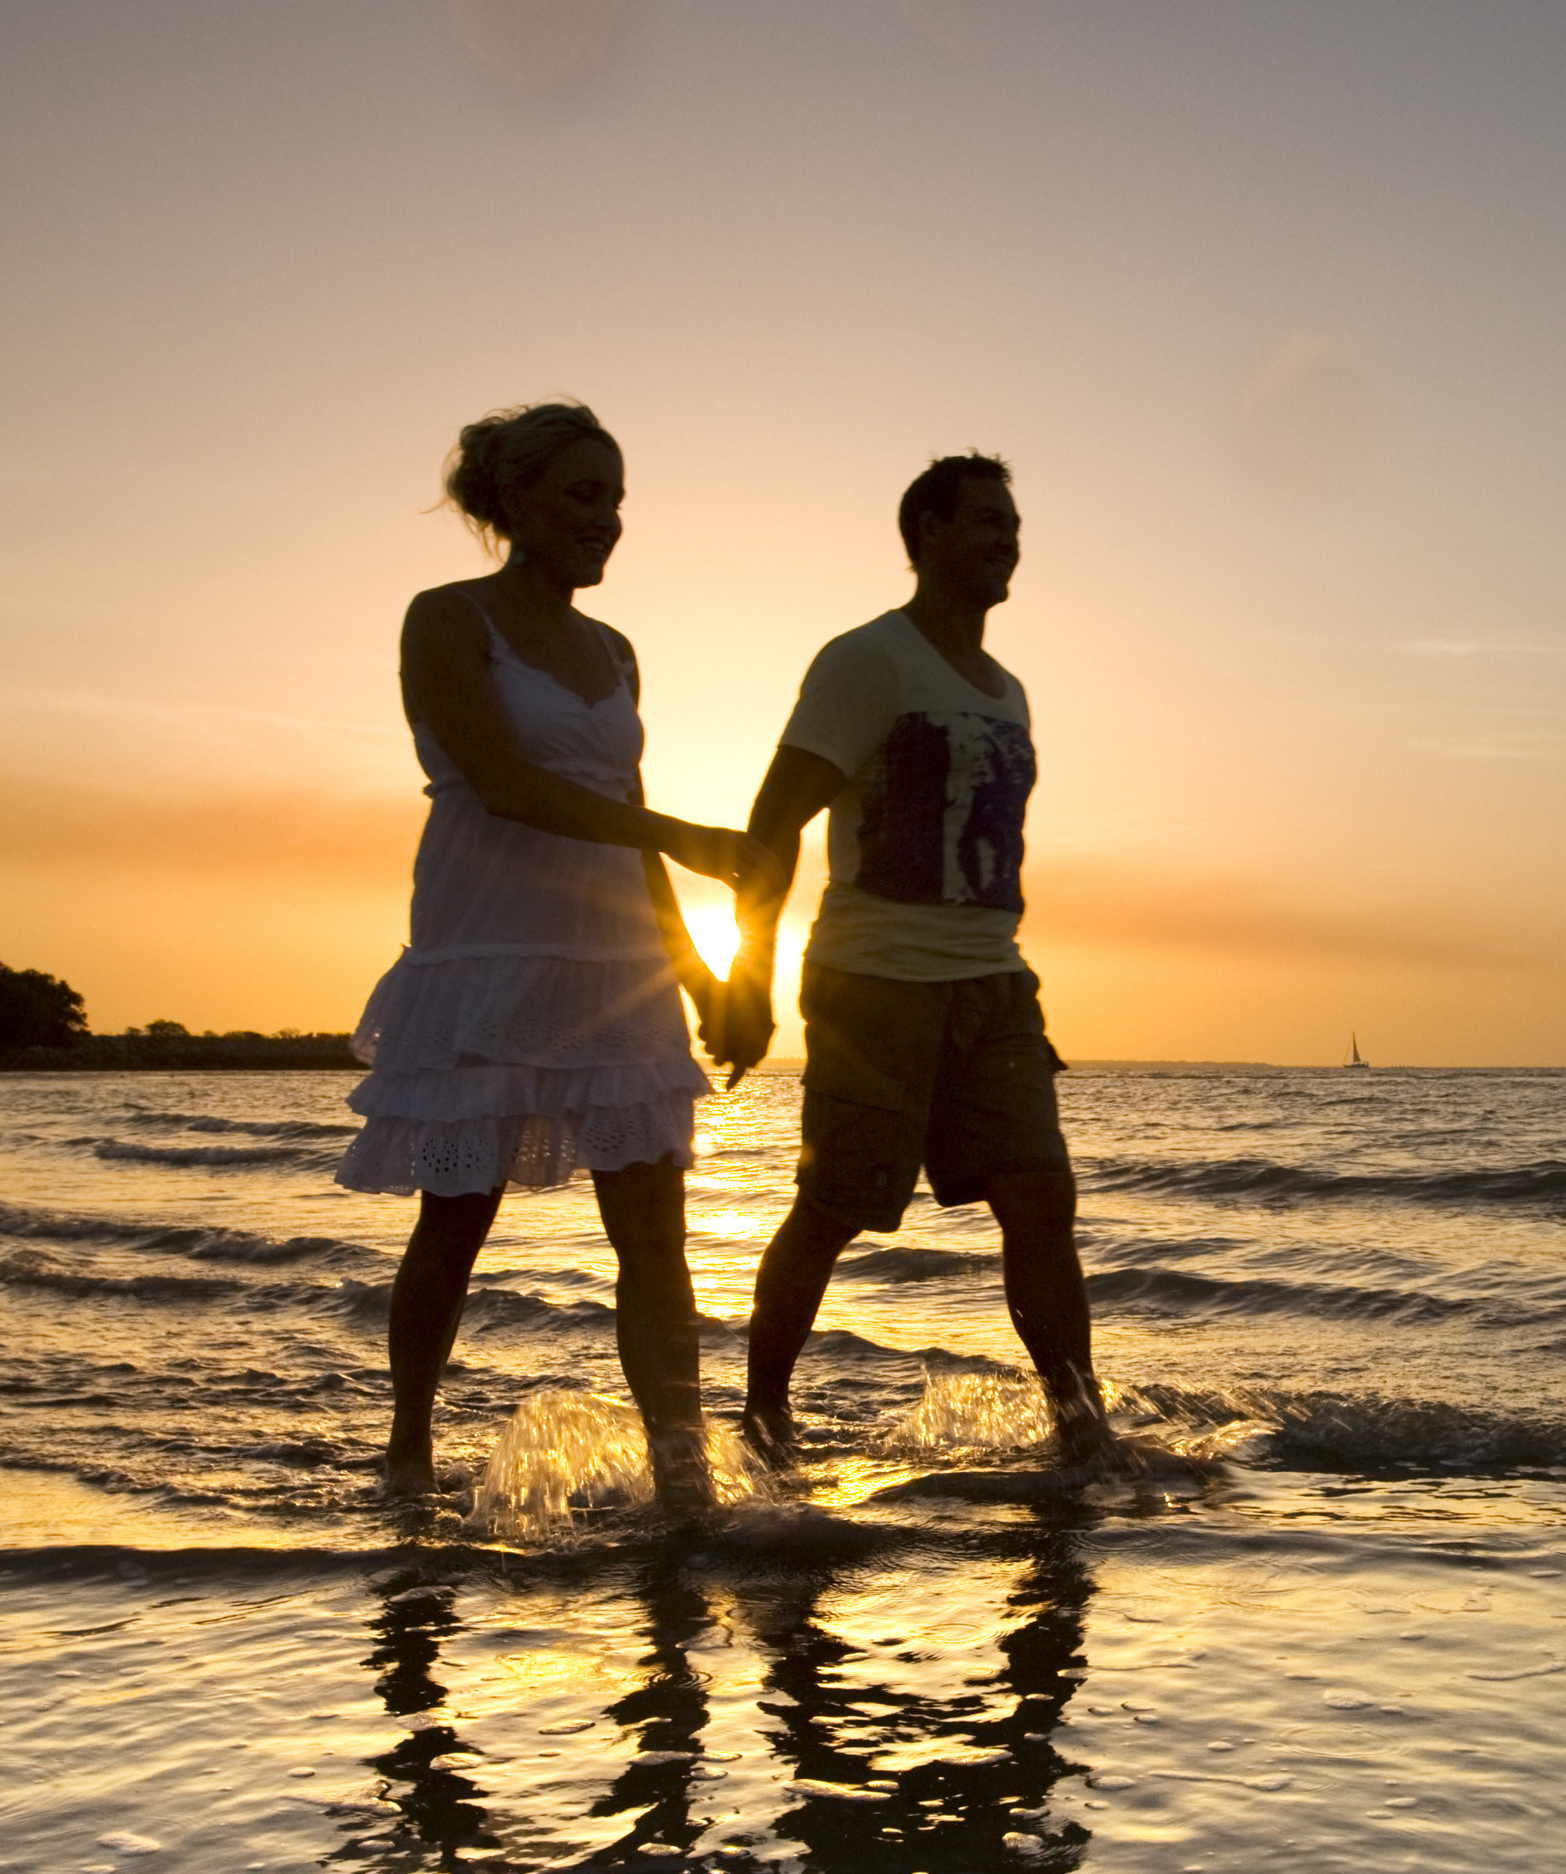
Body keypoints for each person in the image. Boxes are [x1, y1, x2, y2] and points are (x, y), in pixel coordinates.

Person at [338, 401, 742, 1512]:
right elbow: (510, 787)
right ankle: (408, 1454)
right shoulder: (447, 619)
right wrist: (689, 839)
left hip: (615, 965)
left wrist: (697, 971)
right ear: (511, 502)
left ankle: (684, 1477)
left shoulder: (616, 653)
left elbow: (622, 810)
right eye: (581, 495)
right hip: (490, 951)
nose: (606, 521)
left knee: (652, 1230)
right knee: (456, 1216)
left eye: (615, 500)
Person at [706, 453, 1110, 1465]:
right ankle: (761, 1416)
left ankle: (1081, 1428)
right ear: (925, 532)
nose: (1006, 538)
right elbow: (771, 819)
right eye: (985, 520)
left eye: (1013, 524)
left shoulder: (1007, 688)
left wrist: (1009, 982)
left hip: (994, 986)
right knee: (834, 1207)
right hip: (873, 981)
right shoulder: (867, 660)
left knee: (1038, 1200)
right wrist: (747, 972)